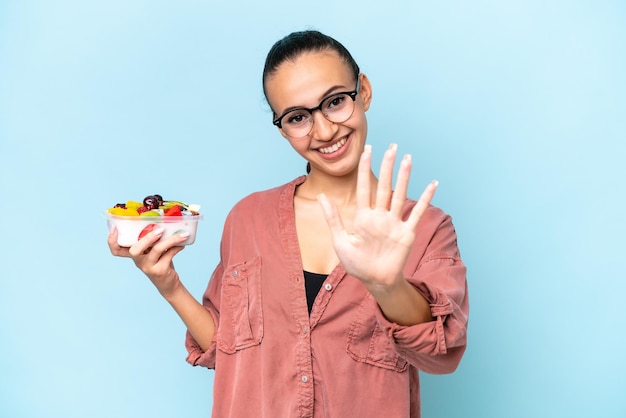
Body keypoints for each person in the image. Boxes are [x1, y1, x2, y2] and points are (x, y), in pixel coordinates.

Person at [108, 30, 468, 418]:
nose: (325, 131)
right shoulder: (249, 219)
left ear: (362, 91)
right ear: (282, 128)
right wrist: (169, 285)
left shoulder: (426, 228)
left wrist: (387, 286)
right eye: (298, 117)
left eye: (335, 102)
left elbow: (441, 355)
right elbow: (226, 350)